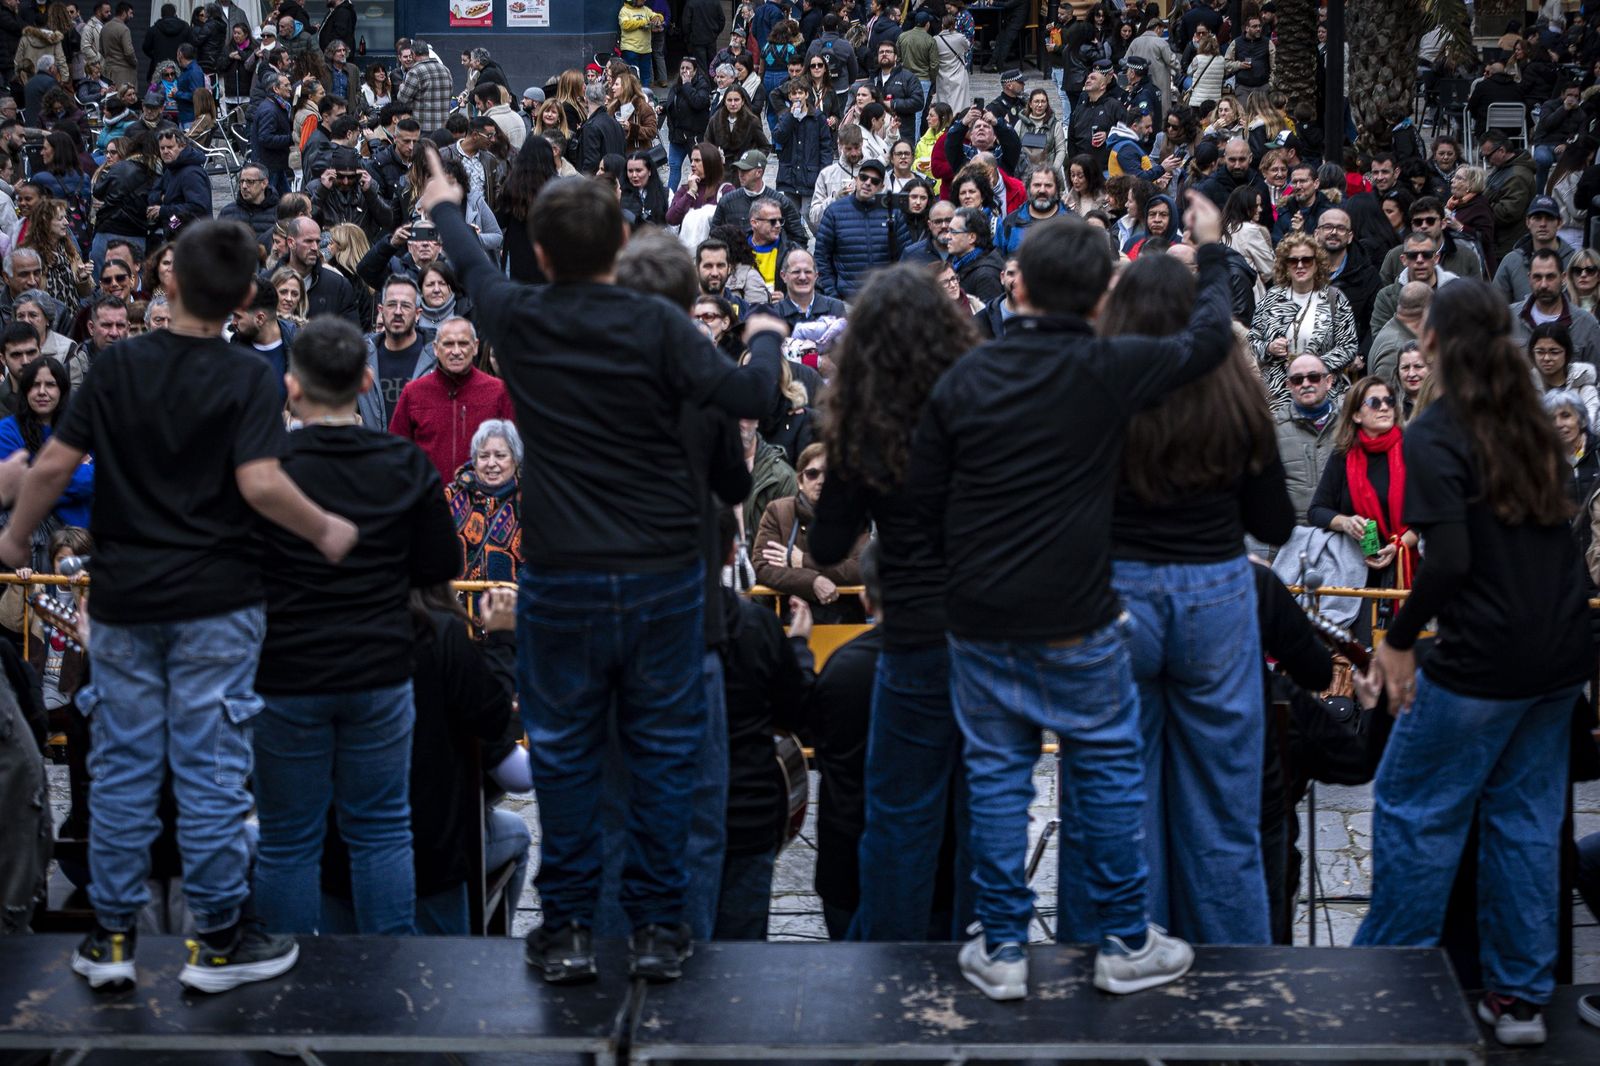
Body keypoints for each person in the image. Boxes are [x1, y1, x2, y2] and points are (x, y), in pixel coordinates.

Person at [414, 152, 791, 984]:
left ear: (543, 254)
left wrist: (443, 202)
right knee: (662, 759)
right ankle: (657, 930)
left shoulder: (524, 315)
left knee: (568, 759)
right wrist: (765, 338)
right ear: (621, 243)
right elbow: (751, 400)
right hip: (663, 579)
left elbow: (473, 266)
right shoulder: (660, 326)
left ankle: (570, 930)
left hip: (564, 581)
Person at [0, 219, 358, 991]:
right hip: (218, 603)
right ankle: (219, 940)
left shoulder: (118, 367)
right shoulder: (247, 379)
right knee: (212, 772)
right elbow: (260, 483)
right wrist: (326, 528)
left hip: (125, 601)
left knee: (122, 771)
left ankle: (112, 938)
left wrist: (14, 538)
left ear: (167, 280)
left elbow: (52, 465)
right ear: (244, 296)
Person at [908, 194, 1230, 1002]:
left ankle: (1002, 947)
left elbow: (923, 506)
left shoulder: (964, 377)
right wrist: (1213, 252)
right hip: (1078, 620)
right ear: (1097, 297)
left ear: (1017, 287)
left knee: (996, 780)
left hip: (981, 618)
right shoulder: (1105, 367)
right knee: (1109, 773)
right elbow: (1207, 341)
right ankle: (1125, 940)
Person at [1355, 279, 1590, 1049]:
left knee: (1413, 807)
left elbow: (1449, 560)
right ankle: (1518, 999)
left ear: (1431, 343)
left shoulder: (1437, 431)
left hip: (1486, 657)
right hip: (1558, 656)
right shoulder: (1533, 424)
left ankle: (1389, 985)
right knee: (1525, 822)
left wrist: (1397, 640)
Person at [1047, 246, 1290, 948]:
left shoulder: (1096, 384)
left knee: (1109, 804)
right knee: (1221, 808)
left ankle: (1115, 962)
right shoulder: (1234, 390)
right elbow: (1275, 523)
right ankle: (1229, 979)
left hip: (1116, 595)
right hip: (1215, 594)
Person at [251, 315, 459, 937]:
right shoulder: (403, 462)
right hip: (380, 666)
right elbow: (439, 565)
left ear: (292, 386)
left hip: (287, 671)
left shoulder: (267, 469)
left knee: (287, 837)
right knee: (381, 829)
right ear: (366, 381)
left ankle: (288, 971)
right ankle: (389, 970)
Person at [809, 262, 977, 941]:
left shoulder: (868, 428)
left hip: (913, 632)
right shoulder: (978, 403)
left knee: (901, 816)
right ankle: (971, 948)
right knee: (979, 810)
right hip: (984, 629)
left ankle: (892, 963)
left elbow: (826, 542)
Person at [1310, 376, 1420, 589]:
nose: (1384, 407)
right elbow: (1316, 510)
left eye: (1389, 401)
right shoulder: (1343, 455)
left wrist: (1399, 545)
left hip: (1408, 567)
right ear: (1356, 415)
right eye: (1374, 403)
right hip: (1356, 571)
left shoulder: (1411, 449)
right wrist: (1345, 522)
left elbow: (1428, 513)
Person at [388, 317, 513, 483]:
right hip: (429, 495)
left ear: (475, 347)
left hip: (485, 496)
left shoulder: (498, 392)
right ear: (435, 348)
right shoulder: (413, 393)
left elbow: (515, 450)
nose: (456, 351)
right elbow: (396, 452)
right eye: (448, 344)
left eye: (463, 344)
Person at [1249, 234, 1359, 413]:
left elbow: (1349, 346)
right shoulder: (1271, 298)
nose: (1300, 265)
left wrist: (1314, 366)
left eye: (1306, 260)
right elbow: (1253, 341)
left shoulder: (1334, 298)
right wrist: (1269, 348)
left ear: (1317, 264)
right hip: (1278, 398)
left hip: (1323, 394)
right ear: (1285, 266)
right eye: (1293, 261)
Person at [0, 355, 90, 545]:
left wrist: (36, 475)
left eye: (50, 384)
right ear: (25, 390)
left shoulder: (83, 430)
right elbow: (14, 487)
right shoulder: (7, 430)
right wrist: (75, 471)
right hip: (33, 540)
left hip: (84, 538)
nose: (42, 392)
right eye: (35, 385)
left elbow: (98, 477)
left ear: (62, 390)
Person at [814, 157, 909, 300]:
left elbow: (905, 256)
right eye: (864, 177)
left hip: (885, 299)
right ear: (856, 179)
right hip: (846, 300)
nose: (868, 183)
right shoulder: (834, 211)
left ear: (882, 186)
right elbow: (821, 257)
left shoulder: (893, 213)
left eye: (874, 181)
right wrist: (832, 295)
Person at [446, 418, 522, 583]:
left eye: (500, 456)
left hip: (514, 599)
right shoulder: (451, 497)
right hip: (458, 598)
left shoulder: (529, 501)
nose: (491, 463)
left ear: (515, 460)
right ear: (475, 460)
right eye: (484, 456)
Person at [1526, 322, 1600, 426]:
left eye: (1554, 352)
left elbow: (1592, 425)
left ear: (1567, 353)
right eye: (1540, 352)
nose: (1546, 358)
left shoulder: (1583, 385)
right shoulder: (1526, 387)